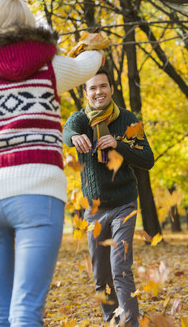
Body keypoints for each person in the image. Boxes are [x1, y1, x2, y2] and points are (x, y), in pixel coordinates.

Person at [0, 0, 104, 327]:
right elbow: (89, 65)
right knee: (26, 310)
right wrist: (94, 46)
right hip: (39, 195)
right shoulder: (50, 68)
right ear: (27, 22)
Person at [63, 68, 154, 327]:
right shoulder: (80, 120)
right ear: (85, 93)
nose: (98, 92)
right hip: (95, 210)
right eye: (92, 88)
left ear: (111, 89)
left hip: (124, 204)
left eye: (103, 86)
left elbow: (147, 159)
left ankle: (130, 324)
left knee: (120, 268)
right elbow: (67, 131)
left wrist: (119, 144)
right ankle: (112, 322)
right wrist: (76, 137)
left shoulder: (127, 119)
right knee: (101, 276)